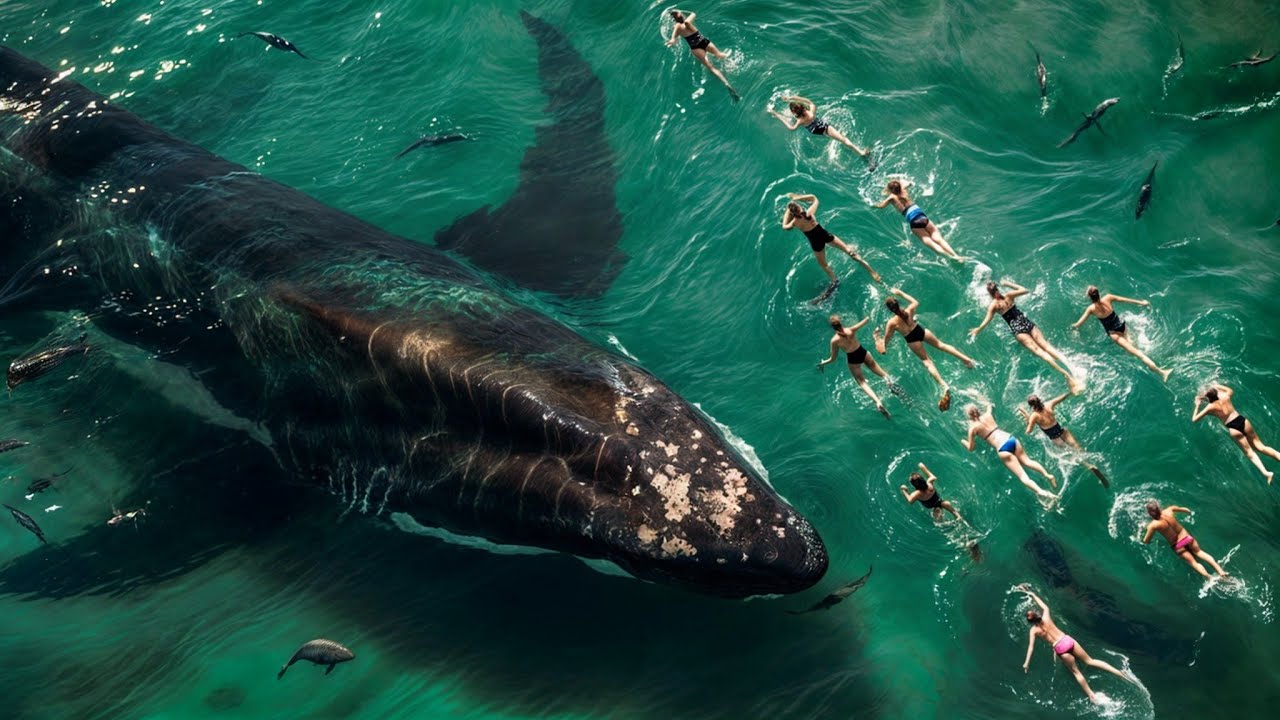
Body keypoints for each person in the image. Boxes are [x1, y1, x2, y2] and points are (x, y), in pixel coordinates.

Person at [1017, 586, 1134, 704]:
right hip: (1067, 640)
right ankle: (1119, 673)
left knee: (1076, 672)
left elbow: (1031, 647)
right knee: (1090, 661)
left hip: (1059, 647)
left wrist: (1026, 663)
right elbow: (1045, 606)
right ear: (1038, 615)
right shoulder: (1046, 617)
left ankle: (1092, 696)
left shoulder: (1033, 630)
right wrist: (1032, 594)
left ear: (1030, 622)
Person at [972, 280, 1082, 394]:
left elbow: (987, 319)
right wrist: (1008, 283)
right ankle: (1073, 367)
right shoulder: (1009, 296)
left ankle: (1068, 376)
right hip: (1027, 323)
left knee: (1041, 352)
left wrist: (978, 329)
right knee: (1047, 346)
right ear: (998, 289)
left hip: (1019, 331)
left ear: (990, 294)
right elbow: (1025, 290)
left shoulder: (994, 305)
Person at [873, 288, 974, 411]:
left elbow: (886, 341)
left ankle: (944, 384)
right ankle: (967, 360)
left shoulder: (892, 323)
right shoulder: (909, 310)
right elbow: (916, 302)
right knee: (942, 345)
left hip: (912, 340)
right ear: (898, 304)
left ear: (889, 310)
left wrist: (877, 339)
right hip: (920, 331)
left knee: (927, 361)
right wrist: (900, 293)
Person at [1070, 286, 1171, 381]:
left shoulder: (1091, 309)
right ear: (1098, 293)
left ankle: (1162, 373)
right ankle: (1145, 354)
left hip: (1115, 335)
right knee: (1134, 348)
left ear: (1089, 297)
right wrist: (1141, 302)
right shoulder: (1108, 297)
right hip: (1122, 326)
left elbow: (1079, 323)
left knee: (1139, 355)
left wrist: (1073, 327)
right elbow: (1125, 300)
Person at [962, 404, 1057, 501]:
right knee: (1028, 461)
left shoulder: (973, 428)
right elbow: (990, 405)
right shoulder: (988, 415)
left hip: (1002, 448)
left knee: (1023, 477)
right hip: (1010, 438)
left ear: (969, 416)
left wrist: (963, 441)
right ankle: (1047, 475)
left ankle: (1041, 492)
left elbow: (971, 448)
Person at [781, 193, 881, 285]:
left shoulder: (794, 222)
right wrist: (797, 197)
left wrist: (787, 211)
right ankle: (871, 271)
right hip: (825, 236)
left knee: (824, 265)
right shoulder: (809, 214)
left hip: (816, 243)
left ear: (792, 214)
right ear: (800, 208)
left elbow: (785, 227)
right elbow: (814, 198)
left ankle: (834, 280)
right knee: (849, 251)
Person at [1192, 383, 1280, 483]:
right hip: (1242, 421)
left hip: (1233, 428)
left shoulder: (1210, 407)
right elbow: (1230, 390)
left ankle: (1266, 473)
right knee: (1261, 447)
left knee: (1249, 452)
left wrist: (1197, 405)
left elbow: (1194, 419)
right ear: (1217, 393)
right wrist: (1216, 385)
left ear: (1208, 398)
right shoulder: (1225, 396)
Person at [1018, 393, 1108, 487]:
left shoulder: (1034, 415)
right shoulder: (1049, 404)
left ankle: (1088, 466)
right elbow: (1061, 397)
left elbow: (1028, 431)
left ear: (1031, 406)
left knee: (1075, 456)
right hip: (1064, 432)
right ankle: (1095, 466)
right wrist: (1070, 392)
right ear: (1039, 400)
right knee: (1080, 451)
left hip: (1056, 438)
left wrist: (1028, 421)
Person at [766, 96, 874, 167]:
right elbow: (808, 101)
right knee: (843, 140)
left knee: (842, 140)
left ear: (795, 112)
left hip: (817, 131)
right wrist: (791, 98)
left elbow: (792, 128)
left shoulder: (800, 121)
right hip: (825, 127)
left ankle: (861, 153)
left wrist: (776, 114)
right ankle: (861, 152)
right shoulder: (812, 111)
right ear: (804, 108)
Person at [818, 314, 891, 418]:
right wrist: (870, 318)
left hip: (853, 359)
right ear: (840, 323)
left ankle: (878, 402)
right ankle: (888, 380)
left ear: (833, 327)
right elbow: (865, 321)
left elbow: (833, 359)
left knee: (861, 381)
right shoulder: (850, 330)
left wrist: (823, 362)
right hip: (862, 352)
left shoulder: (834, 341)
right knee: (880, 371)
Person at [871, 180, 963, 261]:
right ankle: (956, 255)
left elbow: (881, 206)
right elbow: (908, 183)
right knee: (939, 239)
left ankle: (949, 257)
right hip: (922, 216)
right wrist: (906, 183)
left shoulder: (891, 197)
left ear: (891, 190)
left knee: (930, 242)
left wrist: (872, 204)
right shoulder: (904, 190)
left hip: (914, 220)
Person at [1141, 501, 1228, 580]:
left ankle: (1210, 577)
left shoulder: (1153, 525)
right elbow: (1185, 510)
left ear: (1150, 514)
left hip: (1178, 545)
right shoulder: (1169, 510)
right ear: (1159, 508)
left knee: (1194, 563)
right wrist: (1189, 512)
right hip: (1187, 538)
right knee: (1199, 552)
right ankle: (1220, 571)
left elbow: (1146, 541)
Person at [665, 10, 739, 100]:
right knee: (720, 55)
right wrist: (684, 11)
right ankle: (730, 63)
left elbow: (674, 38)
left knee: (711, 67)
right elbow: (693, 14)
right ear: (679, 15)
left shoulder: (677, 26)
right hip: (704, 42)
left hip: (695, 48)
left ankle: (726, 83)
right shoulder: (687, 22)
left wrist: (672, 40)